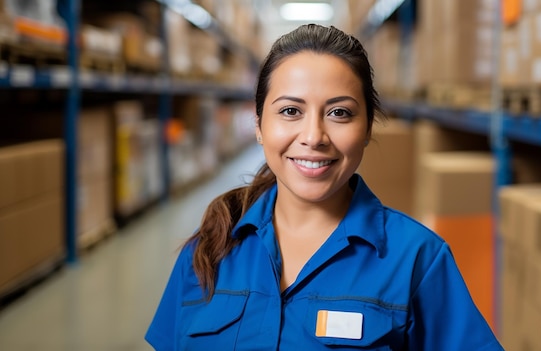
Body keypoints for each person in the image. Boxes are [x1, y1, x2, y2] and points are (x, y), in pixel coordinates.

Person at [145, 24, 504, 350]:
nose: (314, 137)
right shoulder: (209, 248)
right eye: (290, 111)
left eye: (339, 113)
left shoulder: (417, 260)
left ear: (366, 130)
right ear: (258, 125)